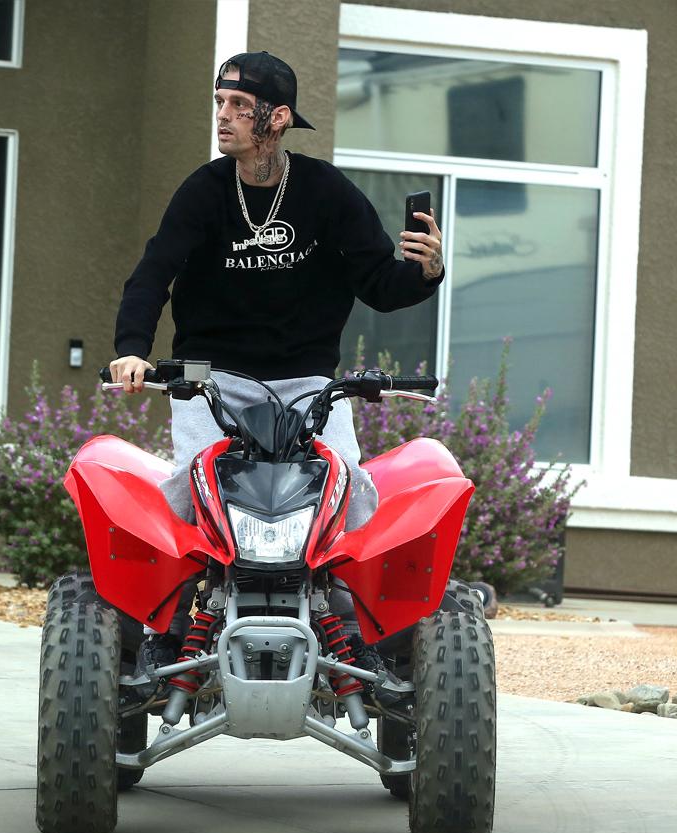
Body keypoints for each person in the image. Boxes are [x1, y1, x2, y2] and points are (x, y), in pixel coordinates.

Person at [109, 51, 444, 688]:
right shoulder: (204, 192)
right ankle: (168, 632)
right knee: (192, 504)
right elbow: (153, 275)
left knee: (352, 502)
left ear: (278, 117)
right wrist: (132, 349)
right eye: (219, 103)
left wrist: (424, 272)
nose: (223, 117)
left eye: (238, 105)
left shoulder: (325, 192)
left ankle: (357, 635)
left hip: (309, 385)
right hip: (210, 382)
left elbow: (380, 282)